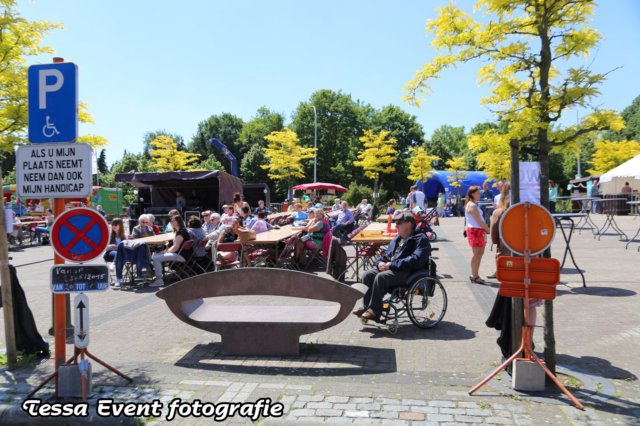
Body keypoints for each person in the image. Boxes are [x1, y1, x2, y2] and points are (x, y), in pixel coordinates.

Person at [353, 212, 431, 321]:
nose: (396, 226)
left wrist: (391, 265)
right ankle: (367, 307)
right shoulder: (398, 238)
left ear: (408, 224)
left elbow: (416, 260)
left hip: (409, 272)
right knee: (367, 275)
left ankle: (374, 311)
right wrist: (380, 263)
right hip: (394, 268)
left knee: (381, 277)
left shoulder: (421, 239)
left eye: (398, 223)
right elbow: (386, 255)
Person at [150, 215, 191, 287]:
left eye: (173, 221)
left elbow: (175, 247)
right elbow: (174, 247)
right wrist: (164, 251)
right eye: (171, 221)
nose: (171, 222)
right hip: (181, 254)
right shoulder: (180, 231)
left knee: (156, 258)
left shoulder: (181, 232)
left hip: (181, 256)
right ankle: (159, 276)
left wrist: (165, 252)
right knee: (156, 255)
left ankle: (159, 280)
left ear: (178, 222)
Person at [465, 186, 490, 284]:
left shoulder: (472, 204)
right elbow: (479, 221)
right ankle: (474, 275)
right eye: (478, 193)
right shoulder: (472, 206)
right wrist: (487, 229)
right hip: (475, 230)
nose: (479, 195)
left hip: (477, 230)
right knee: (477, 254)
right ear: (472, 194)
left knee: (479, 254)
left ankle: (475, 274)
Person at [487, 183, 511, 279]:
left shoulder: (499, 212)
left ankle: (500, 272)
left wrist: (495, 241)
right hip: (522, 243)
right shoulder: (525, 210)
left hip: (505, 241)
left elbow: (494, 231)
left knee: (502, 257)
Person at [104, 218, 125, 287]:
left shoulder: (124, 236)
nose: (113, 226)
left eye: (115, 224)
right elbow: (106, 248)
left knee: (119, 257)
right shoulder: (109, 235)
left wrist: (114, 246)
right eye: (112, 224)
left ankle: (118, 278)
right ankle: (118, 279)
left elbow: (125, 247)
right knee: (118, 254)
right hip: (109, 254)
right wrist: (116, 247)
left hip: (120, 256)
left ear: (120, 225)